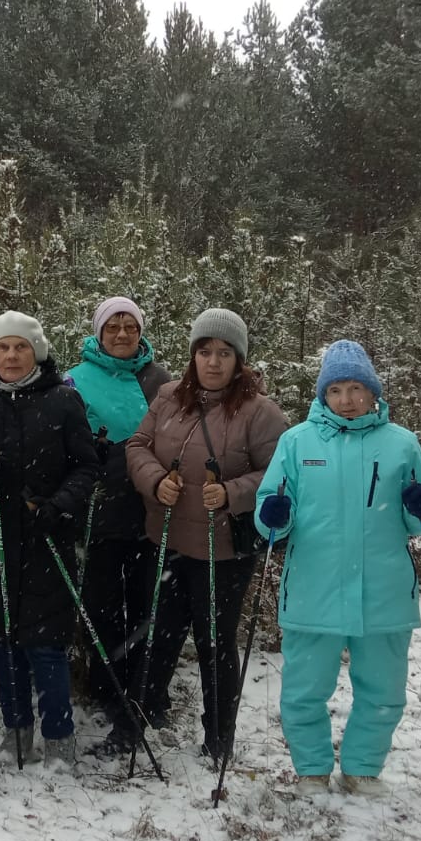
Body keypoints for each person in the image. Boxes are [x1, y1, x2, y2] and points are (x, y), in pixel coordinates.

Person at [254, 341, 421, 797]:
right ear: (323, 394)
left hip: (384, 589)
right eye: (336, 389)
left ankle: (362, 768)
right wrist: (274, 514)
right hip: (312, 587)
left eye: (357, 388)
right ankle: (311, 770)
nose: (347, 399)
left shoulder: (401, 443)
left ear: (373, 392)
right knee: (304, 689)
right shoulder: (297, 442)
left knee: (384, 690)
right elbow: (269, 512)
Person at [126, 308, 287, 761]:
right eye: (204, 351)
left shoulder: (261, 412)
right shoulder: (168, 397)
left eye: (224, 353)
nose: (213, 362)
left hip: (224, 551)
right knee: (159, 636)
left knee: (215, 645)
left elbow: (280, 473)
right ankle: (140, 718)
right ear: (193, 355)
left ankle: (219, 737)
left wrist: (233, 492)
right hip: (167, 541)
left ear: (239, 360)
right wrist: (156, 480)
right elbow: (137, 446)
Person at [0, 311, 100, 766]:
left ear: (38, 351)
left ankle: (59, 738)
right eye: (3, 347)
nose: (11, 355)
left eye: (21, 347)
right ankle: (16, 731)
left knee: (47, 645)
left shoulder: (63, 401)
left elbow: (86, 467)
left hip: (45, 539)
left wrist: (60, 505)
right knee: (5, 643)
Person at [64, 296, 174, 753]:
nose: (123, 334)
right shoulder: (74, 380)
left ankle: (148, 689)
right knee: (102, 605)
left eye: (131, 326)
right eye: (113, 327)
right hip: (100, 509)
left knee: (150, 604)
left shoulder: (161, 381)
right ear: (99, 332)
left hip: (152, 509)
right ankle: (108, 687)